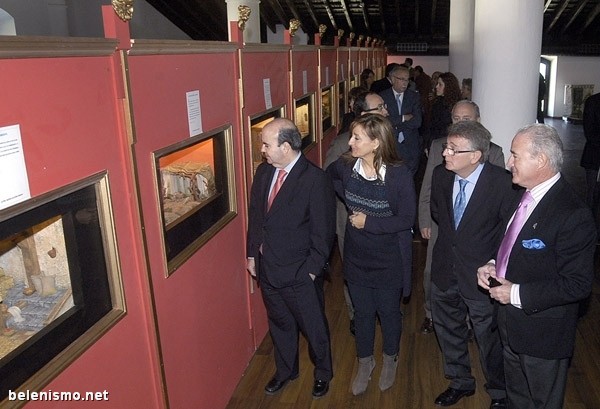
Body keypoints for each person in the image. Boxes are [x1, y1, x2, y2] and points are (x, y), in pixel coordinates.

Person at [477, 124, 596, 409]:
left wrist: (513, 294)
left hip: (543, 336)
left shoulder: (572, 213)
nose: (508, 162)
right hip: (510, 326)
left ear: (540, 160)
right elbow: (513, 243)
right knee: (518, 399)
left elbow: (577, 284)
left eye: (515, 155)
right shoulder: (522, 194)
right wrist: (494, 264)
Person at [246, 118, 336, 399]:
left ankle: (323, 373)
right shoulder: (263, 172)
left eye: (266, 144)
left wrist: (310, 272)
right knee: (280, 324)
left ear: (285, 147)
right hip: (267, 268)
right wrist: (252, 254)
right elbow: (257, 218)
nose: (262, 150)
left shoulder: (315, 179)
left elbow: (324, 232)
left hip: (299, 274)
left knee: (314, 328)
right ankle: (286, 371)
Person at [430, 121, 517, 408]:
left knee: (488, 338)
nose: (446, 154)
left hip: (482, 277)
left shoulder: (503, 183)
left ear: (476, 155)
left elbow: (509, 233)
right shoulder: (440, 176)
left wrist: (493, 264)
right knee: (448, 330)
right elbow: (439, 215)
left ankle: (499, 392)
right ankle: (460, 382)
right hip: (444, 270)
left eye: (454, 149)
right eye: (446, 147)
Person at [327, 114, 416, 395]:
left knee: (389, 312)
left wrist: (369, 222)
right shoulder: (344, 166)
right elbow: (331, 180)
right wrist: (352, 208)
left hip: (388, 257)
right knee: (363, 313)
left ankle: (390, 358)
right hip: (356, 255)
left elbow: (406, 219)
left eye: (357, 138)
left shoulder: (399, 173)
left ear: (376, 143)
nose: (350, 142)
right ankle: (365, 362)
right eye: (352, 136)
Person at [418, 100, 505, 335]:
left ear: (477, 120)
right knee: (433, 273)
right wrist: (425, 220)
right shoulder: (439, 146)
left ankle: (468, 321)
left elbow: (499, 197)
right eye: (455, 119)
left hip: (476, 231)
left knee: (471, 276)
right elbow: (428, 187)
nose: (459, 123)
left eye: (465, 119)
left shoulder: (493, 151)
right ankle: (432, 314)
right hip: (443, 223)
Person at [324, 91, 390, 336]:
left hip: (383, 222)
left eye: (384, 106)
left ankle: (383, 309)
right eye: (379, 108)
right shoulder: (344, 143)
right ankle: (357, 313)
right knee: (354, 268)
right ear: (363, 115)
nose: (385, 111)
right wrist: (354, 203)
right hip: (352, 220)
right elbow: (328, 175)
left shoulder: (387, 138)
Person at [379, 64, 423, 176]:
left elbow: (417, 121)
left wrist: (396, 125)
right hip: (391, 144)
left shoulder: (413, 97)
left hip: (410, 146)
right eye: (401, 79)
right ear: (392, 79)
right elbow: (383, 121)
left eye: (407, 80)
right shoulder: (382, 97)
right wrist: (403, 118)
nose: (405, 83)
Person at [580, 92, 600, 228]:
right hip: (595, 155)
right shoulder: (593, 101)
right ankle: (589, 227)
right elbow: (589, 131)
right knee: (593, 193)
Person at [427, 72, 461, 150]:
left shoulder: (456, 105)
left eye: (440, 84)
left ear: (448, 86)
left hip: (450, 142)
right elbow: (431, 126)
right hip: (436, 142)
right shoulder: (437, 102)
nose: (436, 87)